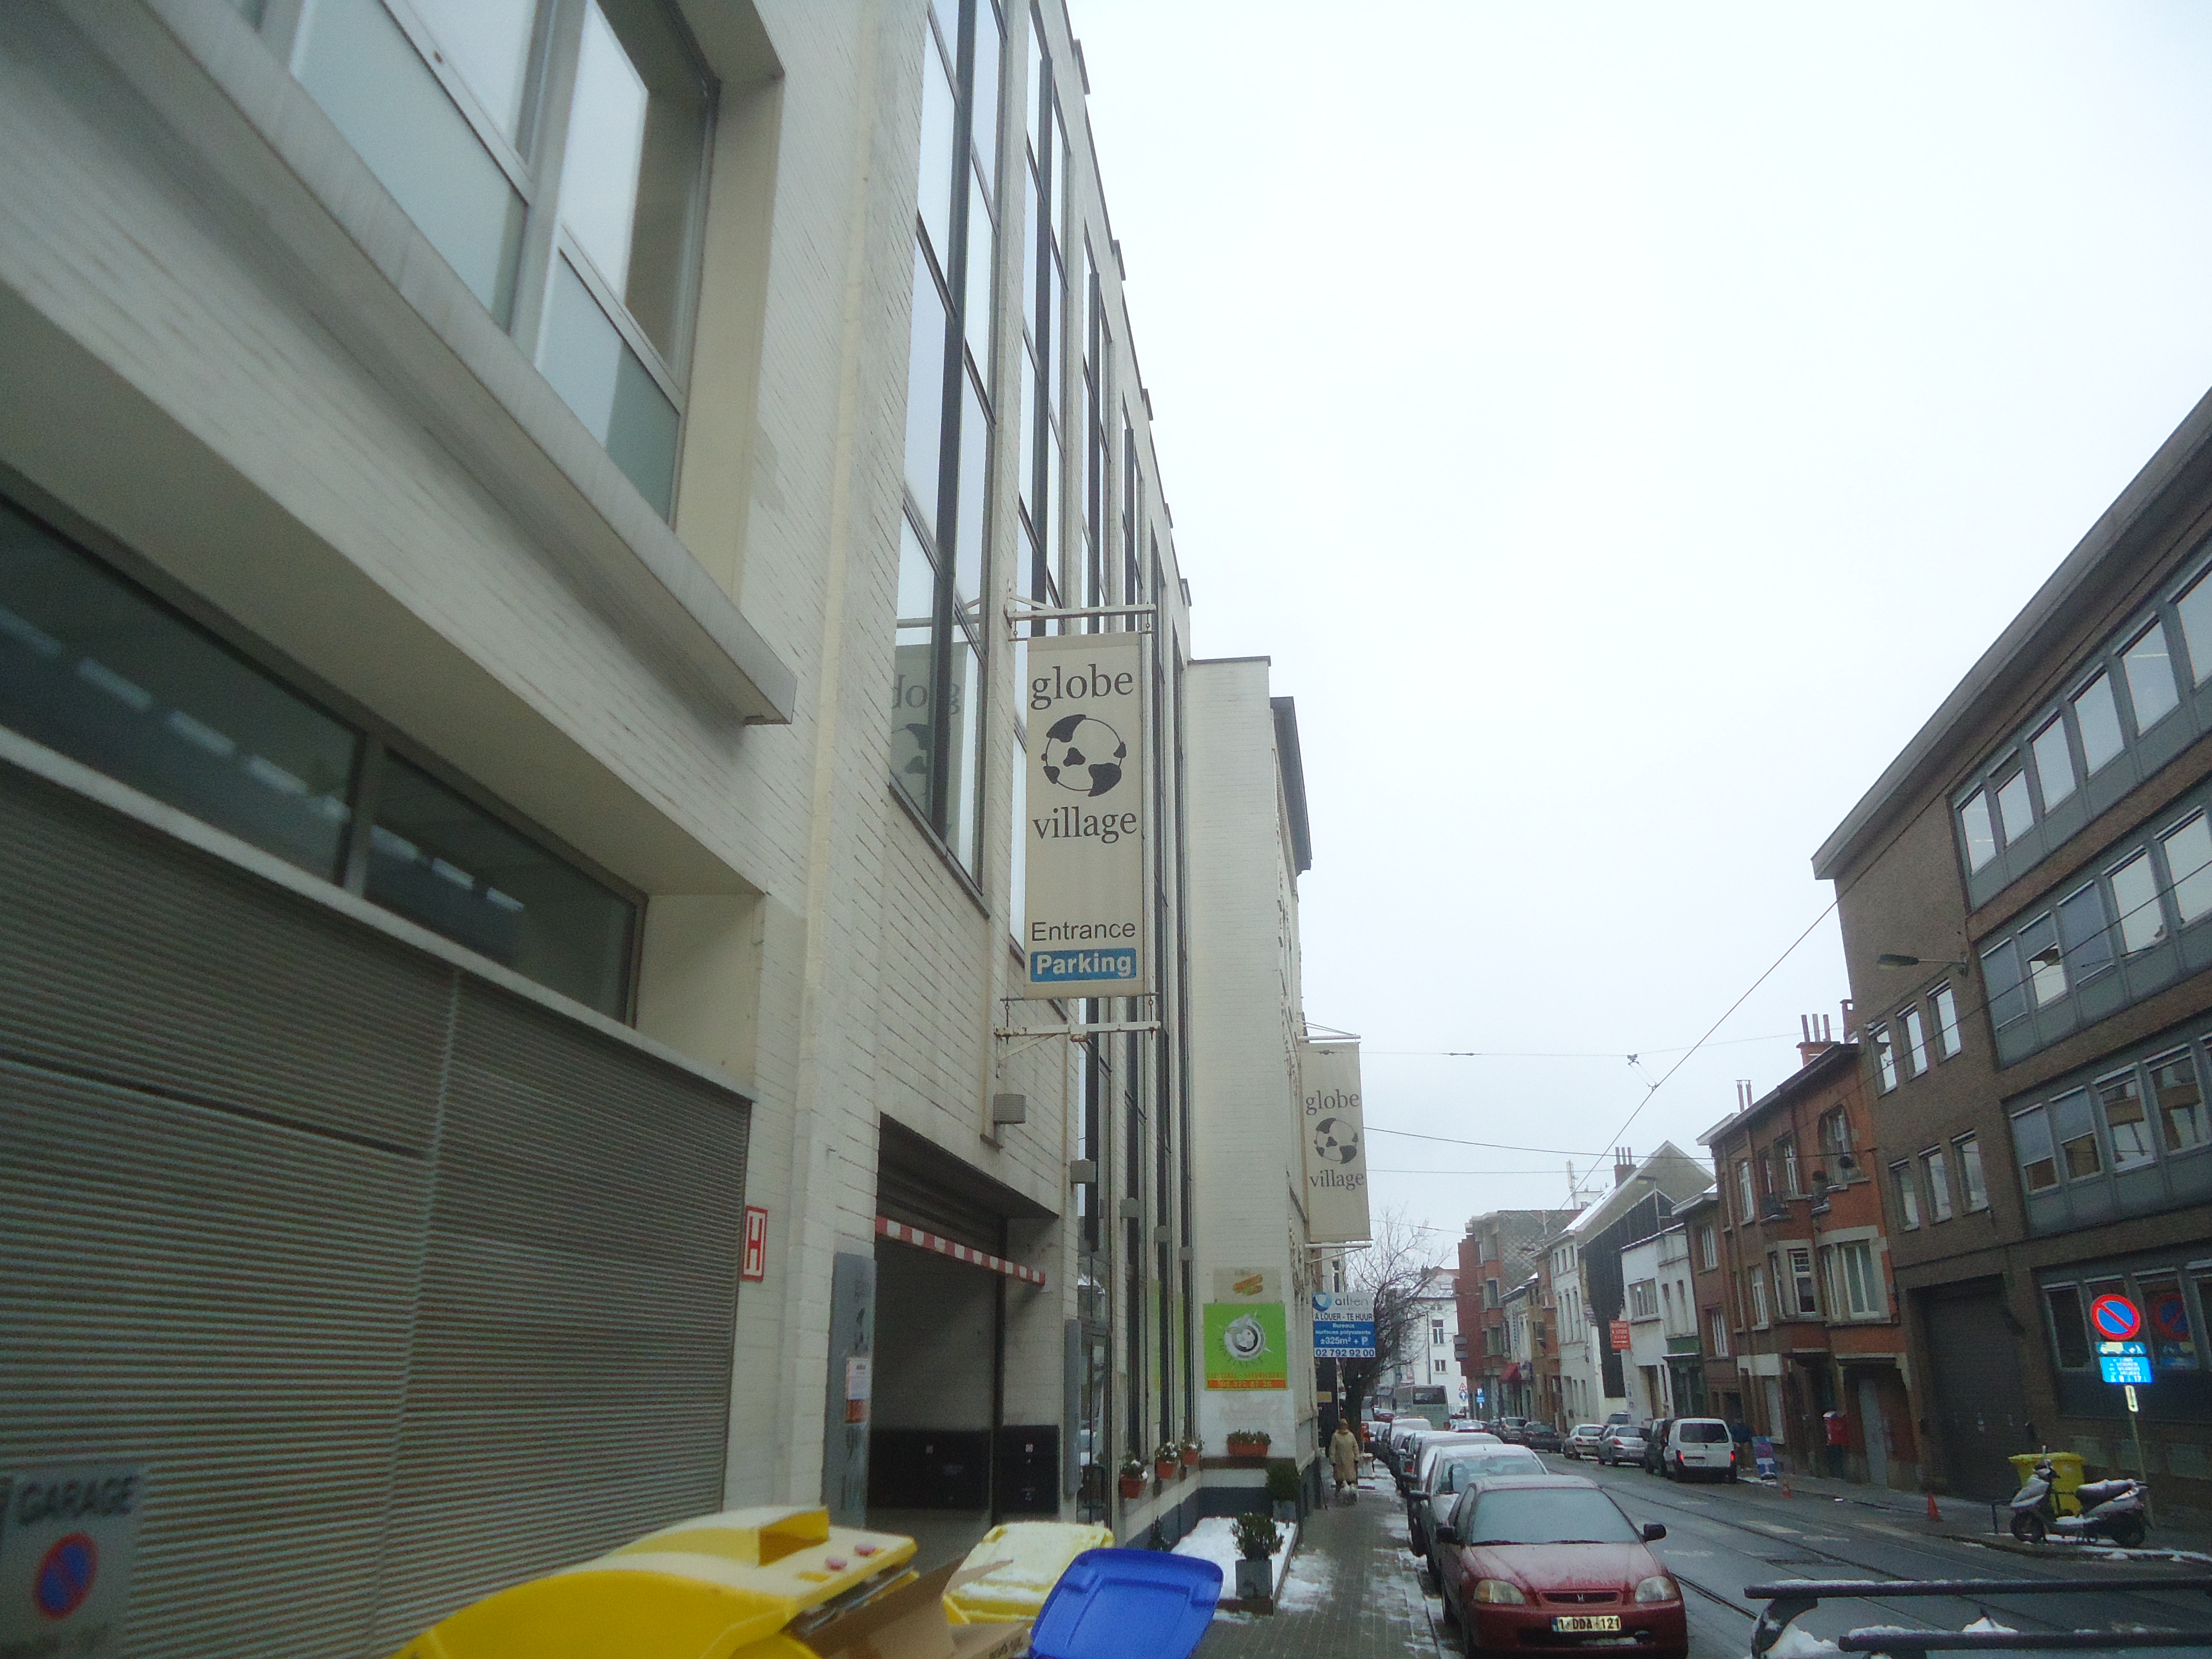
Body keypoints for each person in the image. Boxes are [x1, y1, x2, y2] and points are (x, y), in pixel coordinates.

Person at [1330, 1419, 1361, 1500]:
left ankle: (1351, 1498)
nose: (1343, 1427)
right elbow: (1332, 1450)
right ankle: (1339, 1498)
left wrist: (1356, 1458)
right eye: (1342, 1425)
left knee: (1351, 1482)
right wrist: (1333, 1462)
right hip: (1339, 1463)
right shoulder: (1335, 1436)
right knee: (1340, 1481)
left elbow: (1355, 1447)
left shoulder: (1351, 1436)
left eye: (1345, 1425)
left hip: (1350, 1463)